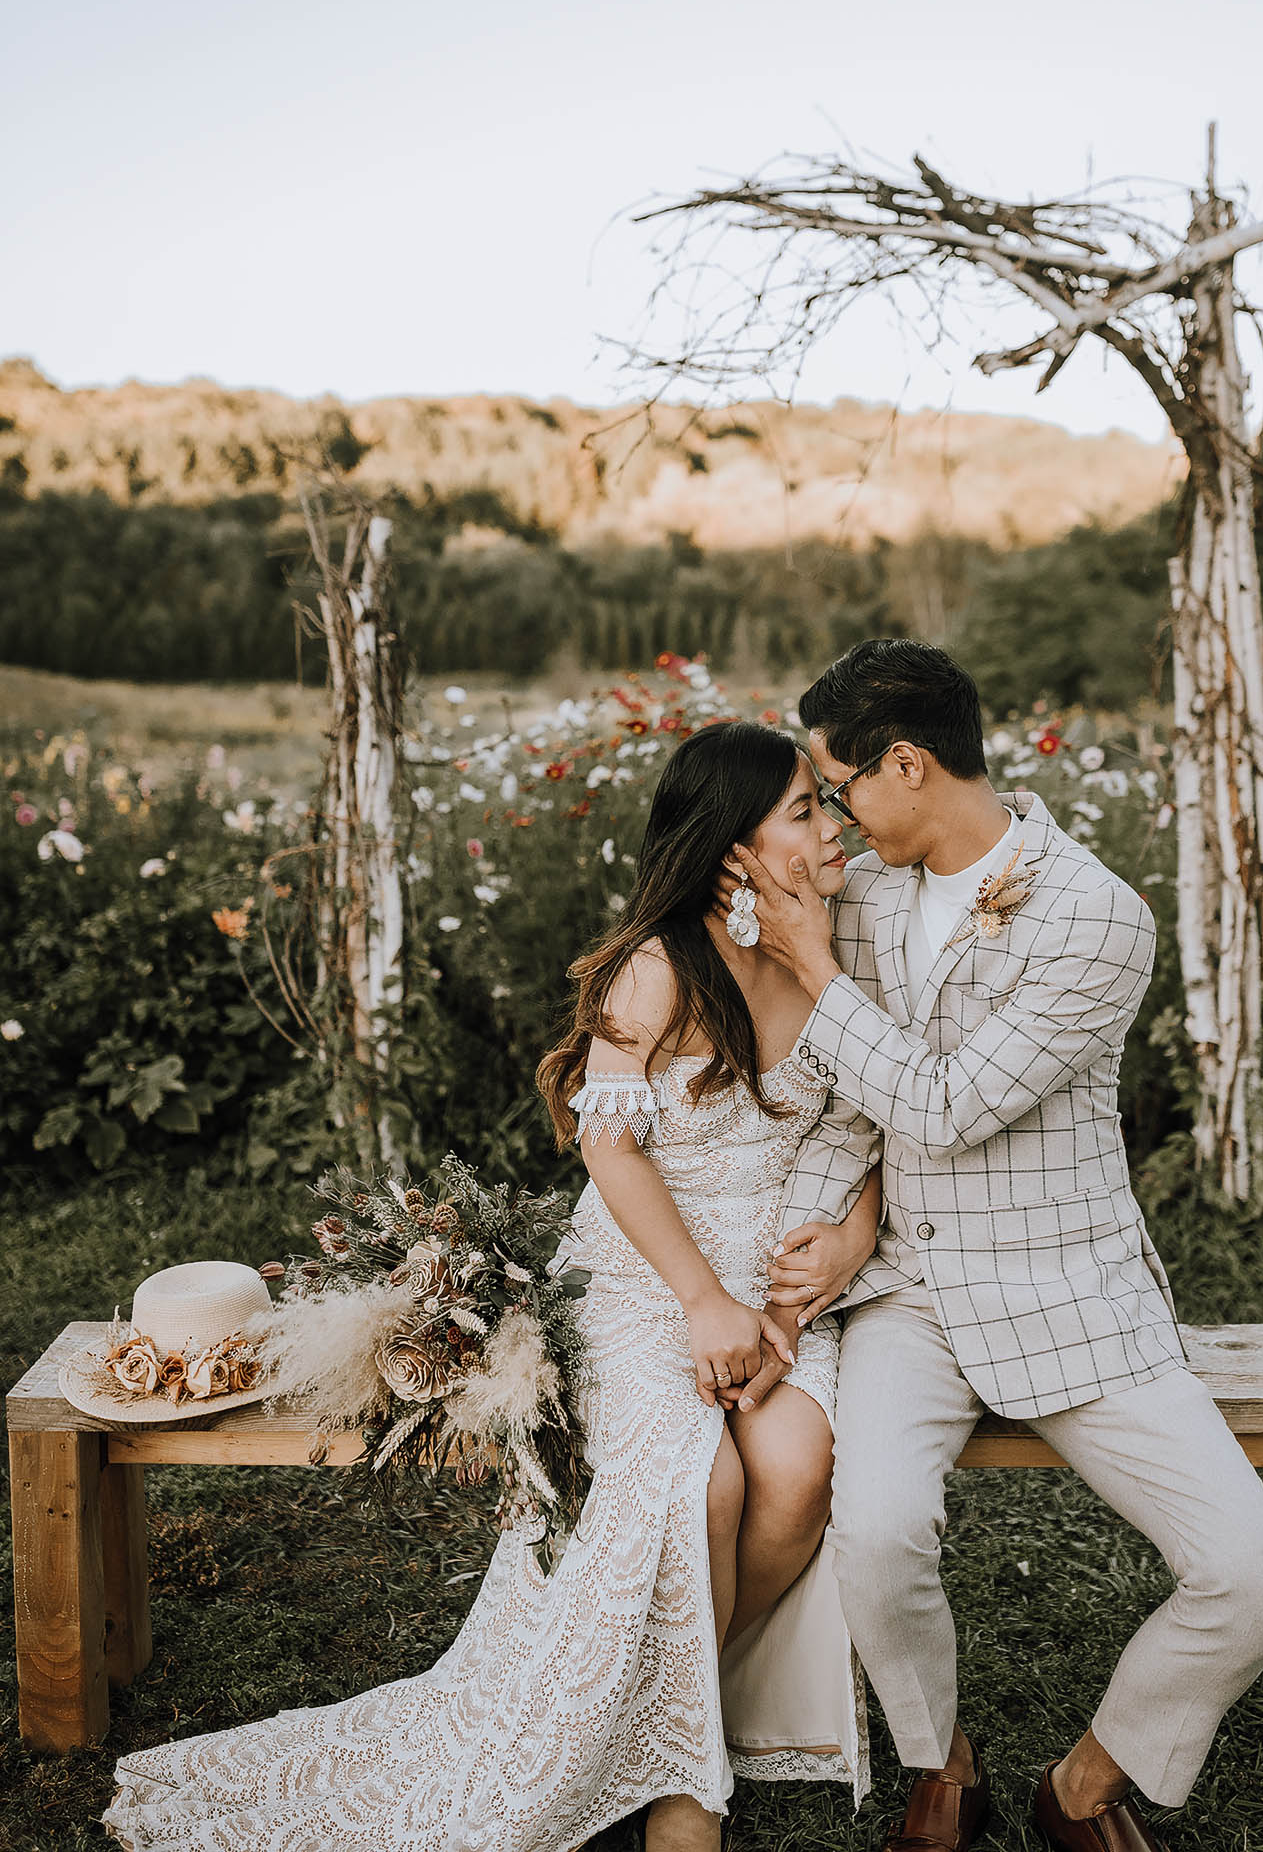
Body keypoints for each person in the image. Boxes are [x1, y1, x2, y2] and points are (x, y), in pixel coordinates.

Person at [102, 720, 877, 1852]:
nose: (832, 823)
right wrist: (707, 1304)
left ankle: (627, 1720)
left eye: (824, 802)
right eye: (806, 808)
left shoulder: (835, 945)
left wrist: (843, 1242)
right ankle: (682, 1789)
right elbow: (610, 1156)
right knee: (693, 1485)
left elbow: (867, 1124)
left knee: (798, 1472)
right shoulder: (654, 968)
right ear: (730, 850)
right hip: (649, 1277)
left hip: (786, 1288)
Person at [729, 639, 1263, 1852]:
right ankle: (941, 1761)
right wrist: (847, 1229)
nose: (832, 816)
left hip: (1066, 1286)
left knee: (1257, 1572)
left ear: (908, 763)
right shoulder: (866, 889)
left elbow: (938, 1104)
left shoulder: (1098, 917)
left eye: (840, 787)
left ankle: (1085, 1783)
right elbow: (762, 959)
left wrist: (817, 967)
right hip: (906, 1293)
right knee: (874, 1533)